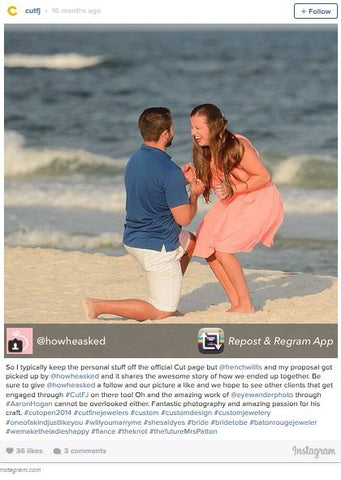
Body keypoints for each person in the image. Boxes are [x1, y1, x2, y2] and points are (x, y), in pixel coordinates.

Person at [85, 107, 204, 321]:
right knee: (161, 311)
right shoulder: (169, 171)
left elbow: (151, 189)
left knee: (191, 242)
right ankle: (98, 305)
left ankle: (168, 292)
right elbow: (184, 218)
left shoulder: (135, 159)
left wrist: (181, 181)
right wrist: (193, 194)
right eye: (173, 128)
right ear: (165, 134)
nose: (174, 131)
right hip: (156, 246)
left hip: (133, 238)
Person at [182, 103, 284, 313]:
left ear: (214, 125)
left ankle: (246, 304)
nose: (194, 133)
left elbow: (264, 176)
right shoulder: (207, 151)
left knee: (223, 248)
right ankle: (236, 302)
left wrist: (233, 189)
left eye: (198, 128)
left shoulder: (237, 144)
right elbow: (217, 185)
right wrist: (194, 179)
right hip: (235, 198)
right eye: (191, 128)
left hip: (258, 197)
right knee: (205, 245)